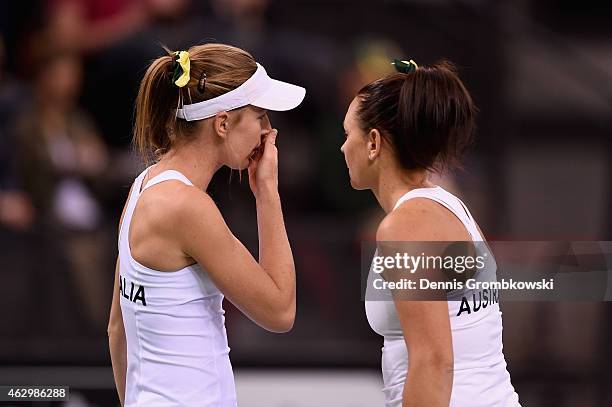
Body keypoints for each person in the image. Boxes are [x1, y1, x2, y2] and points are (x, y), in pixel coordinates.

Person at [107, 43, 305, 406]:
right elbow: (280, 311)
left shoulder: (143, 186)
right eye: (260, 115)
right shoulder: (188, 206)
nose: (268, 131)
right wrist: (267, 194)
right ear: (223, 122)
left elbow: (117, 329)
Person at [342, 59, 520, 406]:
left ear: (374, 142)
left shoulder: (405, 226)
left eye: (348, 134)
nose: (343, 147)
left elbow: (434, 361)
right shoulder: (450, 206)